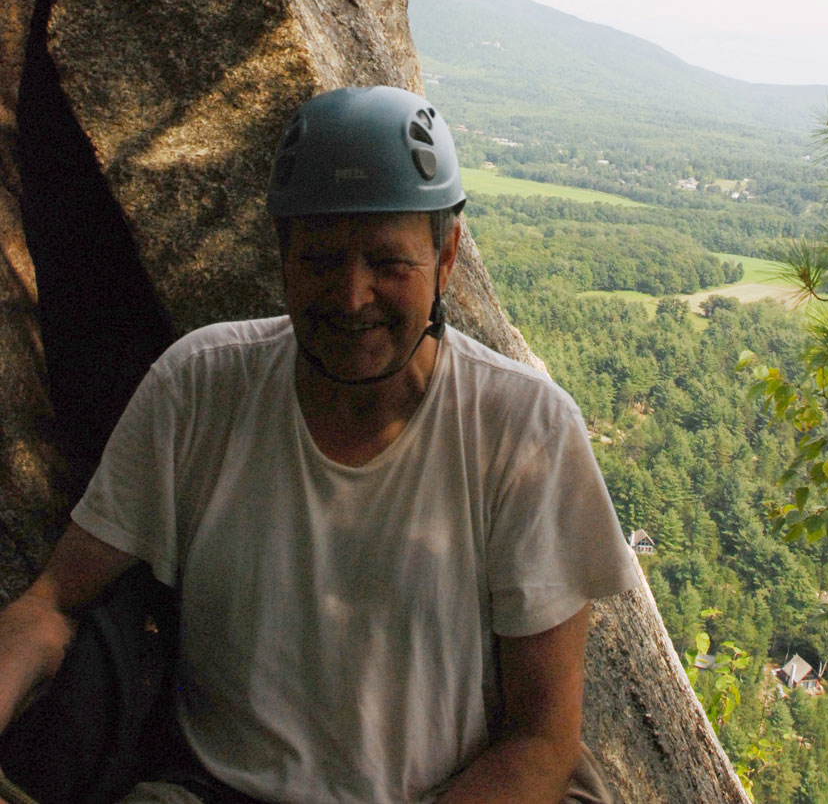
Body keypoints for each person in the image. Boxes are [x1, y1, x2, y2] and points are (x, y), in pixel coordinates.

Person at [0, 86, 640, 803]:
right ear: (281, 254)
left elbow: (542, 737)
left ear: (448, 254)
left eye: (388, 263)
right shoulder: (201, 388)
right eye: (321, 259)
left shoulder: (523, 432)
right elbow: (52, 603)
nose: (352, 293)